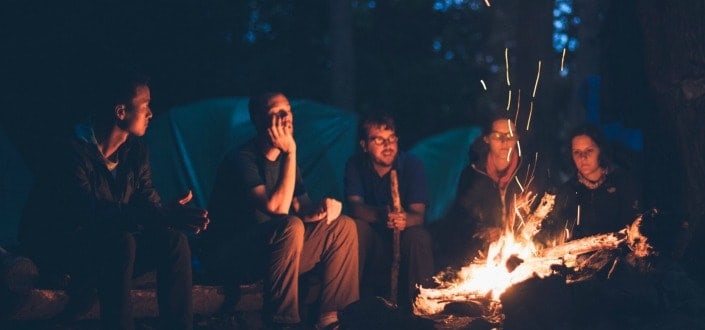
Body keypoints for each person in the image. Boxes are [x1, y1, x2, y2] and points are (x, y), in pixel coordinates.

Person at [18, 67, 210, 330]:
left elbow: (146, 198)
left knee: (173, 241)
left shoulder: (135, 151)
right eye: (146, 106)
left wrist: (169, 214)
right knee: (121, 241)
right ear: (121, 112)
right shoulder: (70, 150)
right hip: (66, 250)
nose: (151, 114)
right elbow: (90, 211)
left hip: (111, 249)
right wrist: (158, 214)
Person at [203, 92, 359, 329]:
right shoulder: (242, 159)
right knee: (290, 225)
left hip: (278, 252)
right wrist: (291, 152)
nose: (287, 117)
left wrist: (323, 209)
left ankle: (330, 319)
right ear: (258, 120)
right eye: (277, 112)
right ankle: (283, 322)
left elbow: (301, 208)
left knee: (343, 226)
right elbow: (276, 208)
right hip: (236, 256)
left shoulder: (287, 162)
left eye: (288, 110)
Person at [344, 113, 434, 308]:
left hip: (404, 239)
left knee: (418, 236)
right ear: (364, 145)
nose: (388, 145)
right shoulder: (356, 165)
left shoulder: (412, 165)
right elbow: (355, 207)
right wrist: (381, 215)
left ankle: (423, 308)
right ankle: (349, 307)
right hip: (373, 242)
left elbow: (418, 215)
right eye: (379, 140)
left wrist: (403, 219)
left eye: (392, 138)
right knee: (354, 228)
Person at [434, 112, 544, 269]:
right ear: (486, 139)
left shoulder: (528, 173)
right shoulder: (472, 175)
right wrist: (482, 232)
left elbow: (543, 215)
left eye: (510, 135)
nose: (505, 141)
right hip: (480, 255)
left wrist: (525, 213)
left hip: (520, 252)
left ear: (517, 138)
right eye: (498, 136)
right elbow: (461, 219)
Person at [540, 123, 643, 242]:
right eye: (577, 152)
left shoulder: (623, 183)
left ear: (601, 150)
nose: (583, 157)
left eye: (589, 150)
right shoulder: (566, 192)